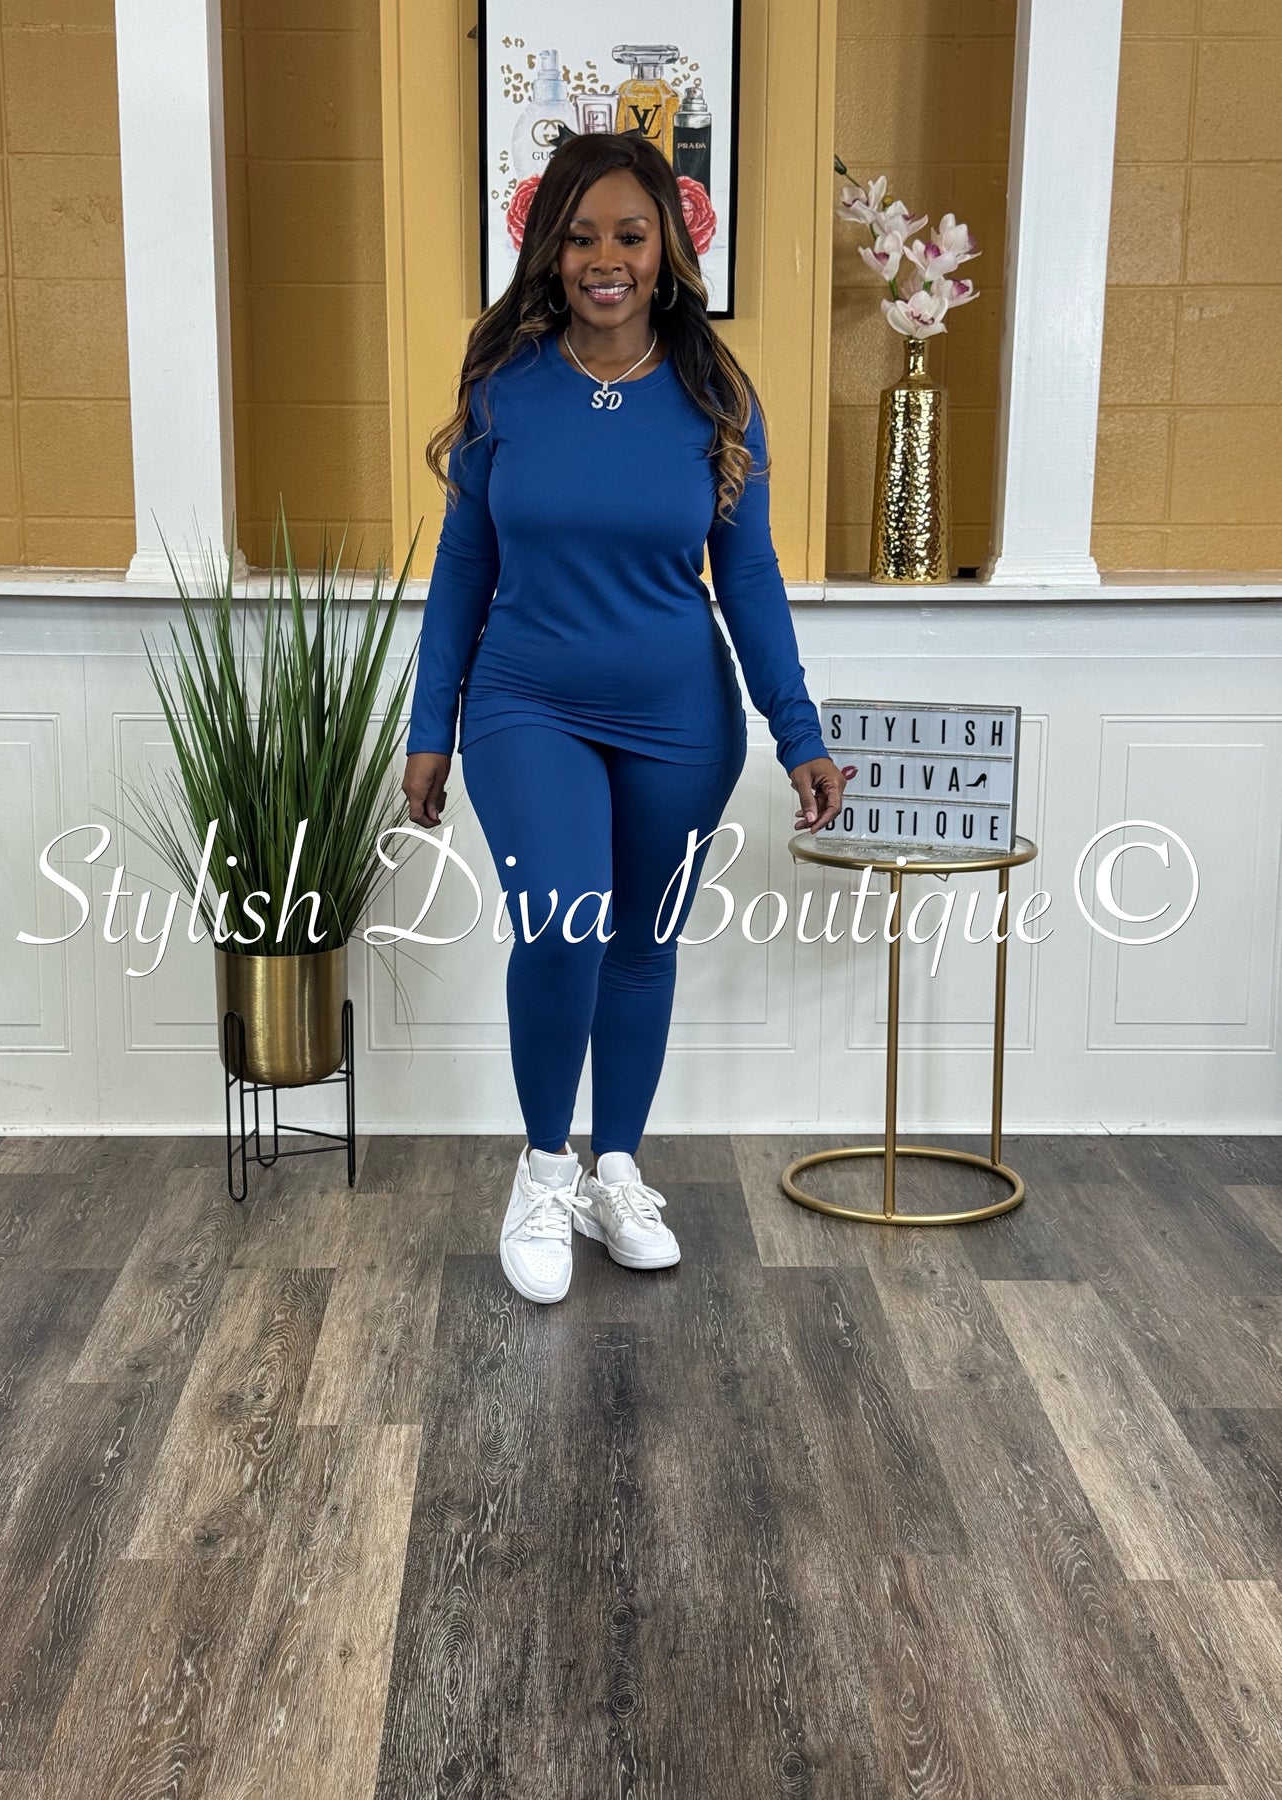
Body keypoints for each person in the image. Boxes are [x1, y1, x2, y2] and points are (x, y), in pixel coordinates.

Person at [402, 130, 848, 1306]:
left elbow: (748, 578)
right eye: (581, 236)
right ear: (549, 252)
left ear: (667, 250)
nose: (606, 258)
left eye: (631, 236)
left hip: (678, 722)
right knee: (564, 924)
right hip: (526, 703)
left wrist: (798, 730)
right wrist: (430, 724)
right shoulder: (505, 388)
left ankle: (616, 1173)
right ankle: (543, 1172)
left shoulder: (716, 397)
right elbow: (463, 567)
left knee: (642, 947)